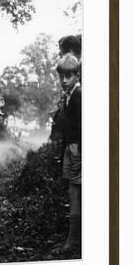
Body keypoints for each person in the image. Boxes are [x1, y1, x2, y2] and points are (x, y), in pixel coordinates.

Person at [56, 53, 82, 254]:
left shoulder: (79, 95)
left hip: (77, 149)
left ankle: (73, 241)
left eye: (69, 76)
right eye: (61, 76)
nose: (64, 80)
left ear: (77, 75)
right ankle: (72, 238)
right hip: (69, 148)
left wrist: (80, 148)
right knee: (71, 191)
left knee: (75, 192)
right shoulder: (68, 96)